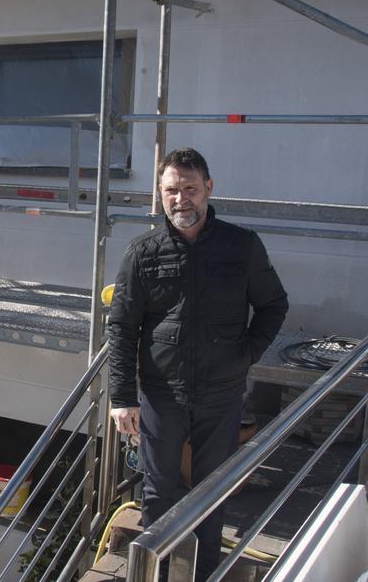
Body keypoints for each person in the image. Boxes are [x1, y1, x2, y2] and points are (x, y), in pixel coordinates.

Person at [107, 147, 288, 579]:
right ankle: (156, 574)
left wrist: (244, 357)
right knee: (158, 494)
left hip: (220, 395)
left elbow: (273, 306)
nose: (180, 199)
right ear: (160, 193)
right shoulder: (142, 253)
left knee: (213, 494)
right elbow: (122, 328)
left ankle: (205, 574)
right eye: (171, 190)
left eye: (190, 188)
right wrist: (121, 397)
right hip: (161, 396)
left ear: (209, 188)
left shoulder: (241, 246)